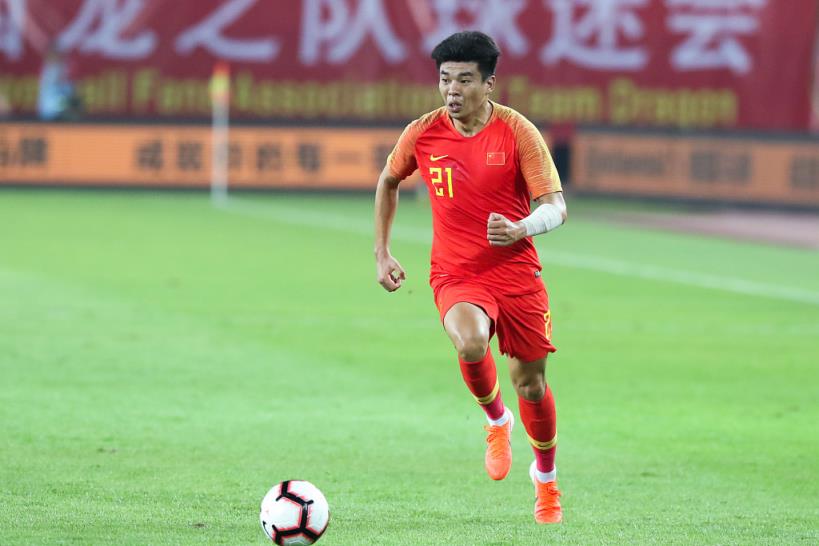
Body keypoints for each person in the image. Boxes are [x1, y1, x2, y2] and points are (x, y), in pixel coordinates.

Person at [373, 30, 567, 524]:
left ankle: (546, 480)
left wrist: (521, 228)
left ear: (489, 84)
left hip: (517, 272)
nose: (451, 90)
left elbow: (556, 207)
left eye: (464, 80)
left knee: (531, 385)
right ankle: (496, 420)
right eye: (445, 79)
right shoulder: (423, 132)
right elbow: (389, 179)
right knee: (470, 341)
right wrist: (382, 252)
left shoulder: (518, 132)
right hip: (456, 271)